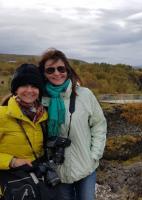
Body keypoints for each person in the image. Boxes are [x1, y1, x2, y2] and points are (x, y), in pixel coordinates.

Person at [38, 48, 107, 200]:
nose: (56, 73)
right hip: (58, 171)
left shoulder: (85, 94)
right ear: (44, 73)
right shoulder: (40, 100)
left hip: (86, 167)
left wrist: (94, 155)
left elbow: (99, 124)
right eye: (50, 70)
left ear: (67, 70)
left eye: (60, 68)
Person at [0, 64, 47, 197]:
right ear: (15, 89)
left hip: (34, 181)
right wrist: (12, 161)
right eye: (24, 86)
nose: (29, 90)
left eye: (34, 86)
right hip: (9, 184)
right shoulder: (2, 115)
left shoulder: (43, 116)